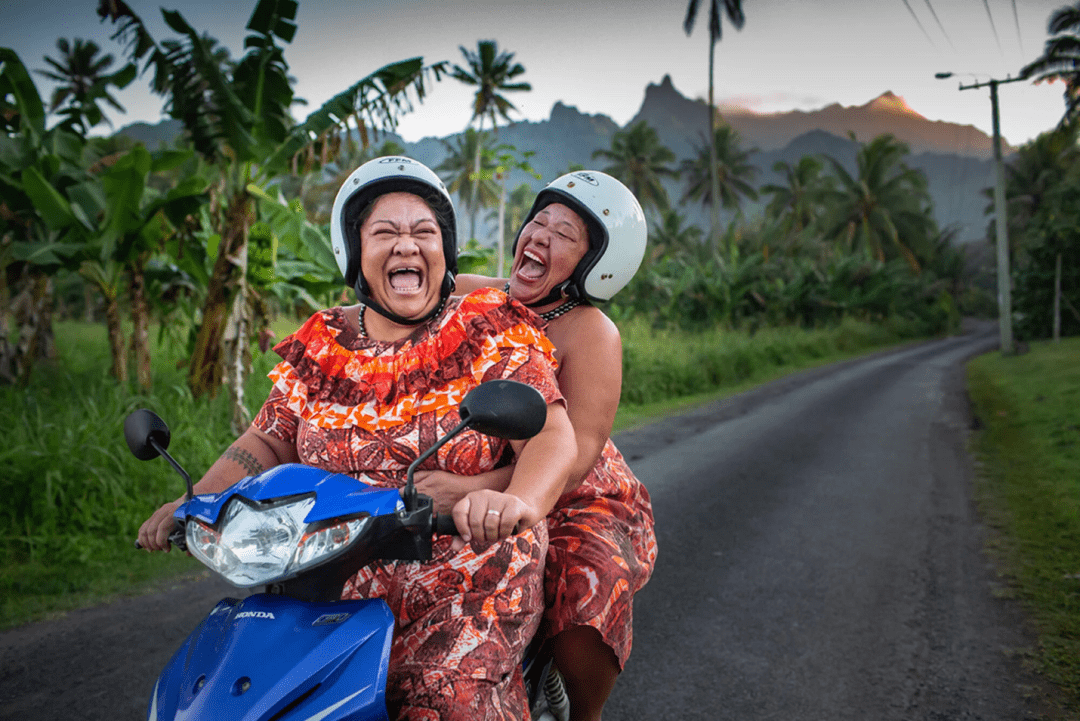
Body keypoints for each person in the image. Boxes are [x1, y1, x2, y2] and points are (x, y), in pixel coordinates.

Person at [138, 156, 578, 721]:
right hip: (324, 576)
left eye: (424, 232)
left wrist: (517, 502)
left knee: (448, 703)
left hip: (468, 572)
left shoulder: (490, 330)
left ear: (445, 252)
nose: (406, 246)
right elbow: (265, 442)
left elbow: (550, 436)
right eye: (385, 233)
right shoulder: (324, 345)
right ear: (356, 253)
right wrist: (194, 502)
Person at [418, 170, 658, 721]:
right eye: (538, 221)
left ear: (597, 263)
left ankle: (585, 714)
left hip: (579, 491)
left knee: (587, 586)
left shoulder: (591, 332)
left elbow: (575, 459)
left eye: (566, 234)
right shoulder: (474, 293)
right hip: (477, 466)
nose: (540, 236)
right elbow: (398, 298)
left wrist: (469, 490)